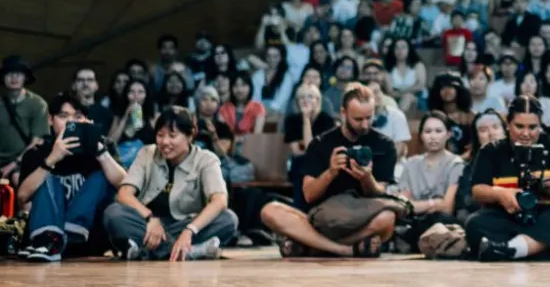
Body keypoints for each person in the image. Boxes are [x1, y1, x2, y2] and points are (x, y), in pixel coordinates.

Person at [260, 84, 400, 257]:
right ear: (343, 113)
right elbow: (309, 195)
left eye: (369, 118)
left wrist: (367, 178)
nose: (365, 125)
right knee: (270, 210)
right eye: (358, 119)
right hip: (321, 218)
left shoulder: (384, 145)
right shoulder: (321, 144)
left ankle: (311, 246)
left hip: (362, 216)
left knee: (387, 219)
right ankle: (344, 249)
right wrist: (331, 172)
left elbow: (381, 193)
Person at [103, 106, 238, 260]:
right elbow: (124, 194)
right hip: (147, 225)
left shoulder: (206, 159)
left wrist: (189, 230)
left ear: (191, 135)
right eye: (160, 135)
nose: (165, 142)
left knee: (228, 219)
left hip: (185, 224)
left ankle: (147, 251)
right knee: (113, 213)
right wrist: (150, 218)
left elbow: (220, 201)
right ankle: (189, 251)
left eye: (172, 136)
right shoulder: (147, 153)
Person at [17, 93, 128, 261]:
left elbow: (124, 186)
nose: (71, 122)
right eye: (63, 116)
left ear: (85, 119)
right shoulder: (37, 152)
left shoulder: (103, 145)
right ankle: (51, 236)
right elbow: (22, 197)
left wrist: (100, 152)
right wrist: (51, 160)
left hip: (84, 239)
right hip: (45, 243)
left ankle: (72, 228)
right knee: (46, 176)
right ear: (50, 119)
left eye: (77, 116)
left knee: (102, 175)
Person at [465, 96, 550, 261]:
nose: (526, 133)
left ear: (540, 125)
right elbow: (477, 190)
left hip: (547, 214)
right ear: (508, 125)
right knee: (474, 223)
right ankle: (548, 245)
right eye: (519, 126)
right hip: (506, 216)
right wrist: (501, 194)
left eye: (532, 127)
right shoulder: (491, 150)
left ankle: (512, 249)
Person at [399, 111, 465, 246]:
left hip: (442, 222)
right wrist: (434, 203)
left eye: (438, 131)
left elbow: (447, 207)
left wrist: (417, 206)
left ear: (448, 134)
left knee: (438, 219)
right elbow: (403, 206)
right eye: (428, 131)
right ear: (421, 136)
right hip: (415, 220)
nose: (433, 136)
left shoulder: (455, 164)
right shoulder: (411, 164)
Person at [1, 56, 49, 179]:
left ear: (25, 77)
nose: (14, 77)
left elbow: (37, 142)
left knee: (18, 178)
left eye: (18, 73)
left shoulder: (38, 104)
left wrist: (13, 165)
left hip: (24, 161)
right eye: (9, 73)